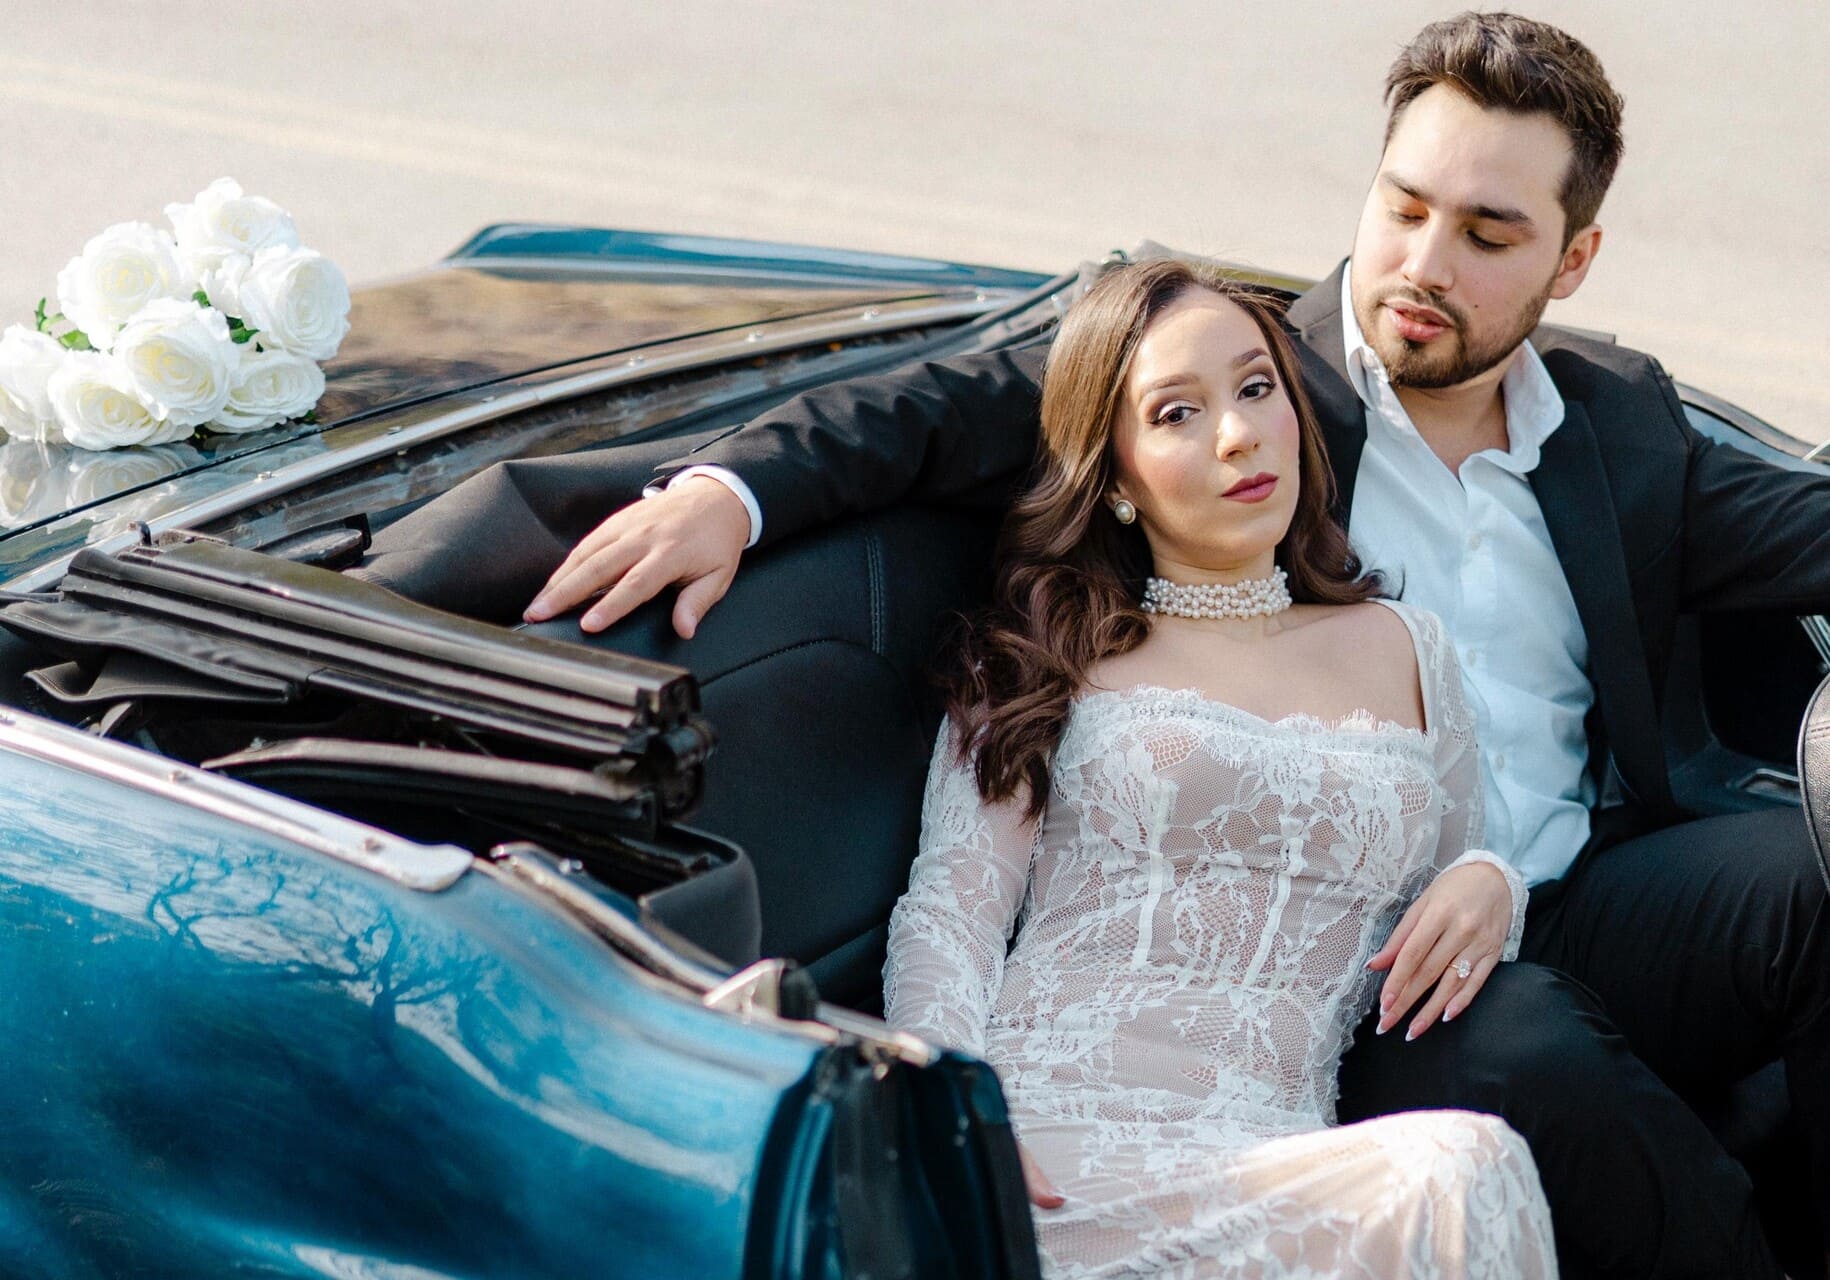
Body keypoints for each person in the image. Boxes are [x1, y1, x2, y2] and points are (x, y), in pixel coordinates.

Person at [519, 13, 1830, 1276]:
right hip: (1368, 980)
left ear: (1572, 260)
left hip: (1560, 890)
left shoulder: (1620, 428)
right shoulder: (1247, 374)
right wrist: (726, 493)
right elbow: (932, 410)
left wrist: (1488, 868)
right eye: (1403, 207)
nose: (1424, 262)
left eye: (1487, 234)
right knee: (1511, 1049)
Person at [881, 254, 1555, 1278]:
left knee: (1457, 1174)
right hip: (1052, 1155)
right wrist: (955, 1114)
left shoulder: (1408, 647)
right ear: (1114, 478)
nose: (1238, 434)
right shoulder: (1040, 657)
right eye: (1176, 413)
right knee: (1463, 1166)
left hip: (1279, 1159)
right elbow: (951, 914)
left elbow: (1464, 872)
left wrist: (1492, 881)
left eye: (1255, 387)